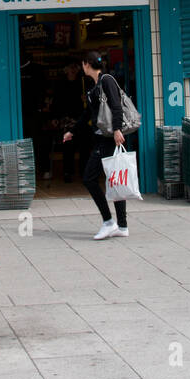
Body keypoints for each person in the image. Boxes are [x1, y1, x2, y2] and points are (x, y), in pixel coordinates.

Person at [63, 50, 131, 240]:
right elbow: (87, 113)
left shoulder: (106, 80)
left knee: (89, 178)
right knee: (113, 180)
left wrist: (117, 129)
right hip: (104, 137)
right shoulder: (95, 85)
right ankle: (122, 226)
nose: (80, 68)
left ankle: (109, 222)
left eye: (81, 65)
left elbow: (116, 105)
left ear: (86, 64)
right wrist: (73, 131)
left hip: (109, 138)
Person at [53, 60, 90, 184]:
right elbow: (56, 102)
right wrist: (55, 118)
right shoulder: (61, 84)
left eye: (75, 67)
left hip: (81, 118)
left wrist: (86, 99)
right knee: (68, 147)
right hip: (67, 120)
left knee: (84, 146)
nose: (73, 70)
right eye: (70, 67)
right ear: (66, 70)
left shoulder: (83, 82)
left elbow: (92, 100)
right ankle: (68, 172)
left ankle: (84, 171)